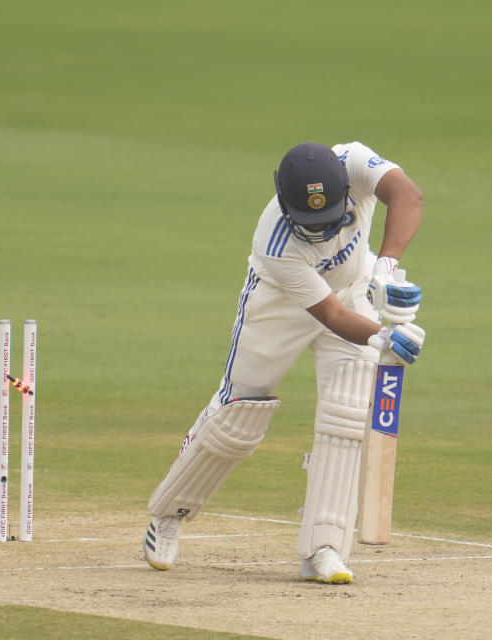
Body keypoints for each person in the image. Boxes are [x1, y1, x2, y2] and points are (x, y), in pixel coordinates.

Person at [142, 141, 425, 584]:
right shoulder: (275, 242)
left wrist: (385, 268)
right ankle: (169, 514)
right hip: (280, 305)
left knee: (348, 411)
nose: (322, 232)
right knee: (240, 413)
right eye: (309, 224)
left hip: (351, 290)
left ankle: (324, 548)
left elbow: (408, 195)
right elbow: (330, 317)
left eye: (329, 219)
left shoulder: (353, 161)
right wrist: (384, 335)